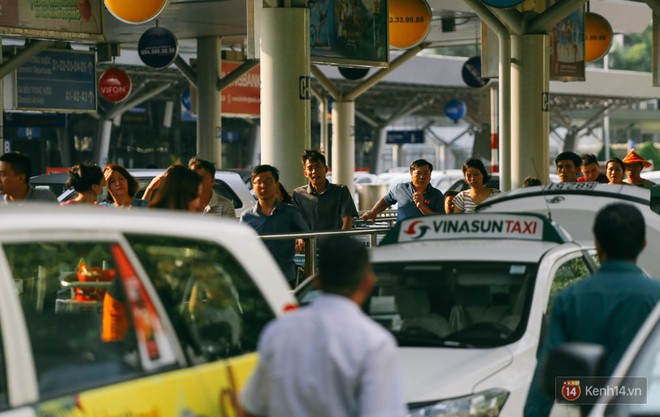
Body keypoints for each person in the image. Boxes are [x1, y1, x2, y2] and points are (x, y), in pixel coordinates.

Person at [239, 235, 406, 417]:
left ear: (317, 280)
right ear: (368, 283)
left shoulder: (278, 331)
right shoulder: (374, 343)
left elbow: (250, 409)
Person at [524, 203, 660, 417]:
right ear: (643, 245)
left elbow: (547, 380)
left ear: (597, 246)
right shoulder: (656, 298)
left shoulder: (569, 299)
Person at [240, 165, 309, 285]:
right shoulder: (246, 217)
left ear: (277, 184)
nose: (263, 186)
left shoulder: (291, 212)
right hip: (256, 279)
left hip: (285, 277)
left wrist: (308, 269)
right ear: (253, 186)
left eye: (268, 181)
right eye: (258, 182)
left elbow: (308, 238)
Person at [292, 149, 358, 231]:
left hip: (336, 242)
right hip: (309, 242)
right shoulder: (298, 194)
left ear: (326, 169)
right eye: (310, 168)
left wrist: (342, 240)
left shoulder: (341, 191)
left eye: (318, 167)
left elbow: (347, 220)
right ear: (305, 173)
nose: (314, 171)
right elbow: (295, 222)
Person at [362, 159, 444, 223]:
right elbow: (386, 201)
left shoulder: (437, 194)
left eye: (426, 173)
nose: (422, 177)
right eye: (418, 173)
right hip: (403, 235)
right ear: (411, 174)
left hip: (426, 237)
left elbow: (440, 219)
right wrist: (373, 212)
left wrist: (422, 206)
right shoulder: (400, 188)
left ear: (430, 175)